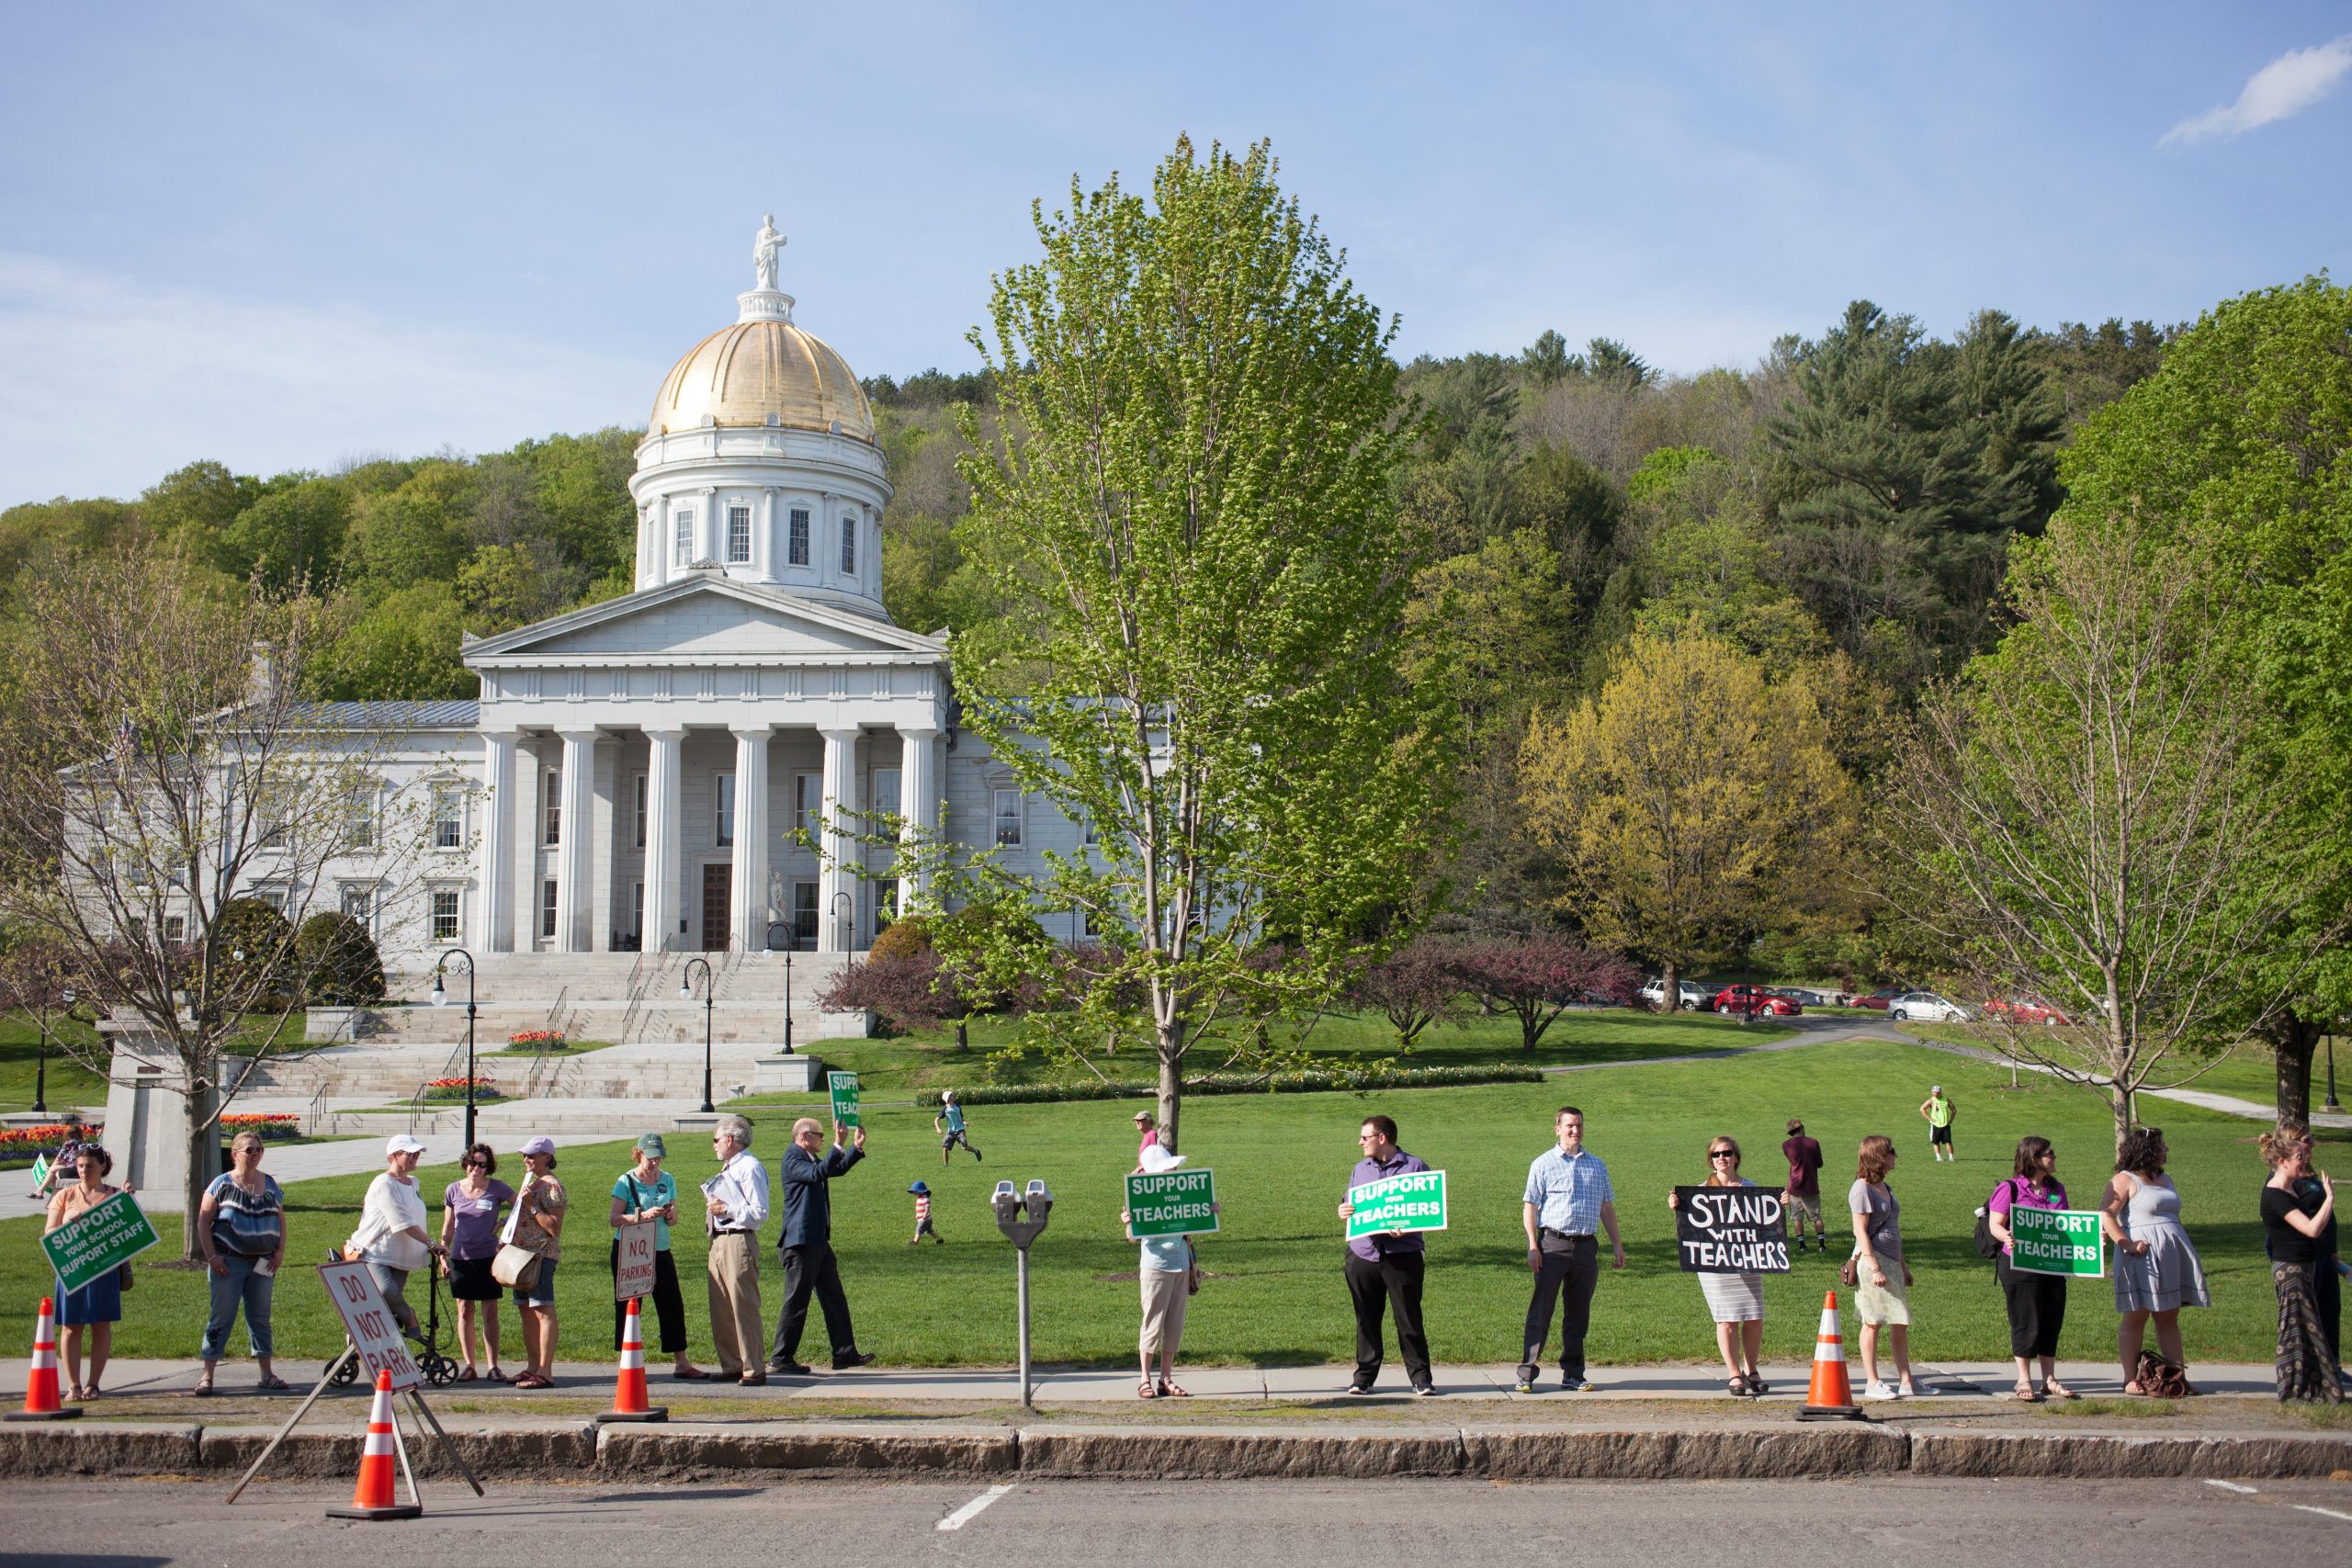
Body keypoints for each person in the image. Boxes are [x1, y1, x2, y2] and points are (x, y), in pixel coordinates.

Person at [1517, 1105, 1624, 1393]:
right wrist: (1532, 1246)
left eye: (1579, 1125)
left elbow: (1606, 1207)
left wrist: (1617, 1244)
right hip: (1552, 1245)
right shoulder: (1543, 1163)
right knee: (1541, 1311)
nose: (1575, 1131)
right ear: (1557, 1129)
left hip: (1586, 1247)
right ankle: (1527, 1373)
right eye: (1569, 1126)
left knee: (1578, 1314)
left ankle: (1573, 1373)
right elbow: (1530, 1206)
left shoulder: (1596, 1165)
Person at [2099, 1125, 2210, 1395]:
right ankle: (2129, 1379)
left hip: (2170, 1254)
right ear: (2148, 1150)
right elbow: (2105, 1214)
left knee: (2168, 1316)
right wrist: (2127, 1244)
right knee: (2136, 1316)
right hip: (2141, 1256)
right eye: (2162, 1146)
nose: (2167, 1151)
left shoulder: (2165, 1179)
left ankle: (2176, 1377)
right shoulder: (2124, 1180)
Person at [1336, 1112, 1435, 1396]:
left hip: (1402, 1256)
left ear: (1382, 1138)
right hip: (1363, 1254)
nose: (1360, 1142)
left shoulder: (1415, 1168)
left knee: (1409, 1319)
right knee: (1366, 1319)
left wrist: (1406, 1227)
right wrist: (1343, 1209)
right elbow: (1349, 1200)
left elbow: (1429, 1210)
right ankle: (1363, 1378)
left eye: (1364, 1137)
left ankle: (1421, 1378)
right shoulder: (1361, 1169)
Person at [769, 1116, 877, 1375]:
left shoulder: (808, 1157)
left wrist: (855, 1148)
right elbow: (819, 1173)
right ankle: (781, 1356)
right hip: (800, 1242)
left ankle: (844, 1353)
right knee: (797, 1301)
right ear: (804, 1136)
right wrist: (839, 1143)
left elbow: (833, 1169)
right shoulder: (793, 1158)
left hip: (817, 1240)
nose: (824, 1139)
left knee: (834, 1298)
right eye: (820, 1135)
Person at [1668, 1136, 1766, 1395]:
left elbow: (1765, 1224)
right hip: (1715, 1264)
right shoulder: (1700, 1192)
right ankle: (1734, 1372)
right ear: (1710, 1160)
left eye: (1726, 1153)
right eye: (1716, 1154)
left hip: (1747, 1262)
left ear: (1736, 1157)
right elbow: (1691, 1226)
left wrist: (1779, 1205)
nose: (1721, 1158)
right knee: (1727, 1319)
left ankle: (1751, 1369)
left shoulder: (1752, 1188)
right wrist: (1677, 1205)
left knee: (1754, 1317)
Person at [1984, 1135, 2077, 1402]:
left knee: (2052, 1318)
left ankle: (2049, 1379)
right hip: (2018, 1263)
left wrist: (2092, 1238)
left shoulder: (2057, 1188)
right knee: (2026, 1318)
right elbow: (1995, 1224)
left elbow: (2067, 1225)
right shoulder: (2010, 1188)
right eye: (2050, 1153)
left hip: (2052, 1263)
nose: (2054, 1157)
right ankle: (2024, 1377)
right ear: (2035, 1158)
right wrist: (2006, 1237)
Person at [196, 1129, 287, 1393]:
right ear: (235, 1155)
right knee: (221, 1316)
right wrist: (212, 1256)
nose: (256, 1154)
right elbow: (203, 1220)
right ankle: (207, 1375)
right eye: (250, 1150)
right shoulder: (222, 1184)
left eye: (259, 1149)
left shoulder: (269, 1183)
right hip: (229, 1262)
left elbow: (280, 1219)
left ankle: (267, 1374)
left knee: (260, 1318)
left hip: (263, 1263)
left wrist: (279, 1251)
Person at [610, 1134, 707, 1381]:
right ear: (638, 1153)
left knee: (672, 1303)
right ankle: (627, 1363)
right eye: (651, 1158)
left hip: (660, 1248)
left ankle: (682, 1363)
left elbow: (673, 1215)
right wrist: (641, 1216)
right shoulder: (625, 1181)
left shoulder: (668, 1179)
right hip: (630, 1251)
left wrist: (671, 1216)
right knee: (630, 1305)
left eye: (660, 1158)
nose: (656, 1163)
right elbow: (614, 1219)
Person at [2257, 1125, 2341, 1403]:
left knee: (2308, 1328)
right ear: (2282, 1162)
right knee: (2294, 1330)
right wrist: (2329, 1198)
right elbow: (2311, 1229)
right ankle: (2293, 1389)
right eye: (2299, 1158)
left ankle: (2313, 1388)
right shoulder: (2276, 1194)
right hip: (2291, 1270)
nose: (2304, 1161)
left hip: (2305, 1267)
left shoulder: (2290, 1189)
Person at [1124, 1144, 1210, 1398]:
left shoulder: (1182, 1192)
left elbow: (1191, 1224)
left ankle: (1166, 1377)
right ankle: (1144, 1378)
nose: (1172, 1172)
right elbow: (1133, 1236)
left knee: (1175, 1323)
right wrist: (1128, 1223)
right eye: (1167, 1169)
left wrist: (1209, 1212)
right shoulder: (1140, 1195)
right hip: (1155, 1265)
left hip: (1181, 1264)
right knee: (1153, 1322)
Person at [42, 1145, 126, 1401]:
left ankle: (93, 1384)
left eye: (89, 1165)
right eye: (80, 1166)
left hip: (104, 1270)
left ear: (103, 1167)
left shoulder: (114, 1195)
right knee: (71, 1327)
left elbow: (129, 1232)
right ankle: (73, 1385)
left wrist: (128, 1201)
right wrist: (67, 1223)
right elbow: (48, 1233)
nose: (83, 1170)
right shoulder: (64, 1196)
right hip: (72, 1269)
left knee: (101, 1326)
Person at [1849, 1134, 1922, 1400]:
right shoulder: (1862, 1188)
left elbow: (1893, 1228)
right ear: (1878, 1156)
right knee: (1873, 1321)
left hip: (1891, 1262)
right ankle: (1872, 1381)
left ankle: (1906, 1380)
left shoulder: (1885, 1187)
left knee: (1899, 1321)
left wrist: (1903, 1266)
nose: (1895, 1156)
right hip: (1873, 1263)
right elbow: (1861, 1231)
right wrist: (1875, 1267)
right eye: (1890, 1151)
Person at [703, 1114, 771, 1384]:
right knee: (720, 1307)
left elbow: (759, 1212)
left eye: (716, 1139)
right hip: (718, 1240)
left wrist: (727, 1208)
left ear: (730, 1140)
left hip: (739, 1240)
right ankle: (731, 1364)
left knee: (743, 1306)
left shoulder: (750, 1167)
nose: (714, 1145)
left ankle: (754, 1368)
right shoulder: (730, 1167)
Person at [355, 1134, 441, 1342]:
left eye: (417, 1153)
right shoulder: (384, 1183)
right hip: (376, 1252)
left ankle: (381, 1346)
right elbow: (402, 1221)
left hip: (403, 1255)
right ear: (394, 1155)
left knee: (386, 1306)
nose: (415, 1157)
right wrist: (431, 1243)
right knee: (386, 1292)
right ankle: (410, 1319)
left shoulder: (414, 1182)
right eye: (410, 1154)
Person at [438, 1143, 514, 1382]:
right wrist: (443, 1252)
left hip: (488, 1257)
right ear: (465, 1163)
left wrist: (503, 1223)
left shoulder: (497, 1188)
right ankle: (469, 1365)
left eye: (482, 1164)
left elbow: (521, 1205)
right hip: (460, 1257)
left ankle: (493, 1366)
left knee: (490, 1311)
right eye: (473, 1163)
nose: (476, 1169)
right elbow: (448, 1226)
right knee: (464, 1311)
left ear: (487, 1166)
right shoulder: (453, 1190)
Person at [508, 1134, 568, 1389]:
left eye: (532, 1155)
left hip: (541, 1256)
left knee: (543, 1310)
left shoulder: (552, 1187)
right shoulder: (532, 1183)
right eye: (525, 1155)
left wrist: (531, 1205)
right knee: (526, 1311)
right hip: (521, 1256)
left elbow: (554, 1228)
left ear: (547, 1157)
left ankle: (545, 1371)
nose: (526, 1159)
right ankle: (532, 1366)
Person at [1781, 1119, 1826, 1253]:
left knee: (1797, 1217)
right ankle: (1821, 1245)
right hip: (1811, 1185)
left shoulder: (1786, 1145)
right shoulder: (1813, 1142)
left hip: (1794, 1186)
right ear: (1801, 1127)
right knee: (1816, 1217)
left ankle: (1802, 1245)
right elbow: (1819, 1163)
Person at [935, 1089, 982, 1167]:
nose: (953, 1095)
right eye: (951, 1095)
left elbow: (961, 1118)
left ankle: (976, 1151)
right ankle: (946, 1165)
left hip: (960, 1130)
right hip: (950, 1132)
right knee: (945, 1147)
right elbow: (936, 1120)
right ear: (948, 1098)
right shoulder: (945, 1109)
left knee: (965, 1147)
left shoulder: (958, 1107)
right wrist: (938, 1129)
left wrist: (964, 1122)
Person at [1918, 1087, 1955, 1162]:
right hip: (1935, 1124)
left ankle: (1951, 1157)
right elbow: (1922, 1109)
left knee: (1948, 1142)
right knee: (1936, 1142)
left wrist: (1951, 1120)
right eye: (1933, 1092)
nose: (1934, 1094)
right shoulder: (1931, 1100)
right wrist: (1929, 1118)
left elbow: (1953, 1110)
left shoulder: (1946, 1100)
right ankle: (1938, 1157)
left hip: (1945, 1124)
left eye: (1936, 1092)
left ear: (1940, 1092)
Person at [907, 1180, 943, 1245]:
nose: (914, 1193)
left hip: (924, 1219)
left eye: (915, 1191)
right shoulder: (920, 1198)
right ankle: (939, 1239)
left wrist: (925, 1214)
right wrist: (918, 1215)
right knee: (930, 1231)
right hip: (927, 1219)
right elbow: (920, 1208)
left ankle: (915, 1242)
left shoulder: (925, 1198)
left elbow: (927, 1207)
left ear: (920, 1191)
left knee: (918, 1230)